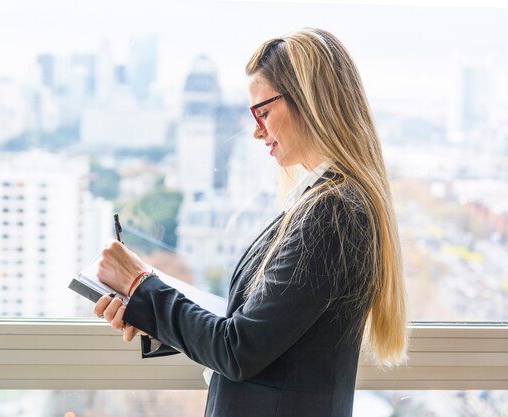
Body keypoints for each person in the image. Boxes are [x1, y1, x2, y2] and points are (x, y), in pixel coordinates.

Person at [93, 28, 407, 417]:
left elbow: (238, 349)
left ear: (308, 103)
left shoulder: (334, 214)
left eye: (263, 111)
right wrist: (153, 316)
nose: (256, 130)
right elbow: (270, 337)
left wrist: (142, 286)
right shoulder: (323, 202)